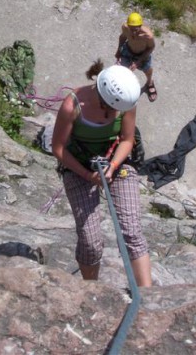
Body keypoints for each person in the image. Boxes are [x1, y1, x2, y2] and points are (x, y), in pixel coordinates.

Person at [52, 60, 152, 287]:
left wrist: (113, 166)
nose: (115, 113)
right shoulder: (73, 106)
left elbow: (127, 140)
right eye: (111, 108)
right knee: (90, 240)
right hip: (78, 166)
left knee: (132, 232)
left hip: (115, 162)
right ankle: (91, 289)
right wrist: (87, 176)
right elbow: (58, 148)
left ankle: (148, 294)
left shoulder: (126, 103)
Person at [115, 12, 157, 102]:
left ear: (141, 25)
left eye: (136, 29)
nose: (133, 32)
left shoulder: (148, 36)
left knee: (148, 70)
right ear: (128, 25)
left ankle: (149, 82)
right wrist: (119, 50)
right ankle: (120, 87)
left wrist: (138, 62)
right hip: (128, 51)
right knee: (120, 69)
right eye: (131, 29)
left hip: (142, 54)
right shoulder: (125, 28)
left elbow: (151, 48)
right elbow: (122, 37)